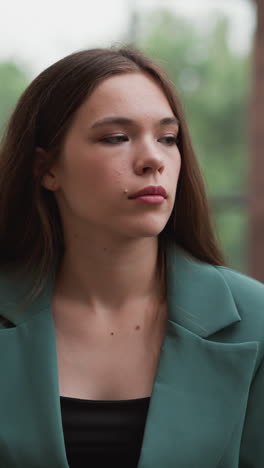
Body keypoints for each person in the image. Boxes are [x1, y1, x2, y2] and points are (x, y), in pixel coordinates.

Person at [0, 46, 263, 468]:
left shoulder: (256, 321)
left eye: (167, 138)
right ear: (46, 168)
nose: (153, 160)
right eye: (116, 138)